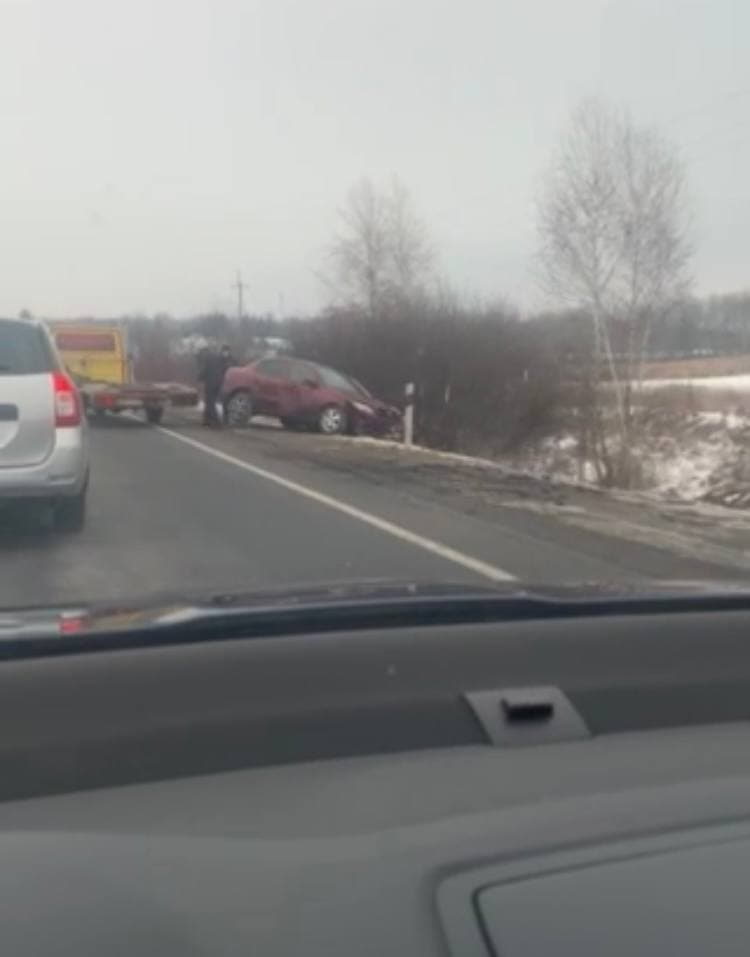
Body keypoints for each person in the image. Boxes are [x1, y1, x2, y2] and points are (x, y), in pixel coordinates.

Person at [198, 344, 236, 427]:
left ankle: (216, 422)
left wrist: (199, 378)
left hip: (211, 383)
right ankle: (206, 420)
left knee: (210, 402)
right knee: (209, 401)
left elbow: (205, 370)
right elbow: (226, 370)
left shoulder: (209, 358)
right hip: (219, 383)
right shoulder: (222, 359)